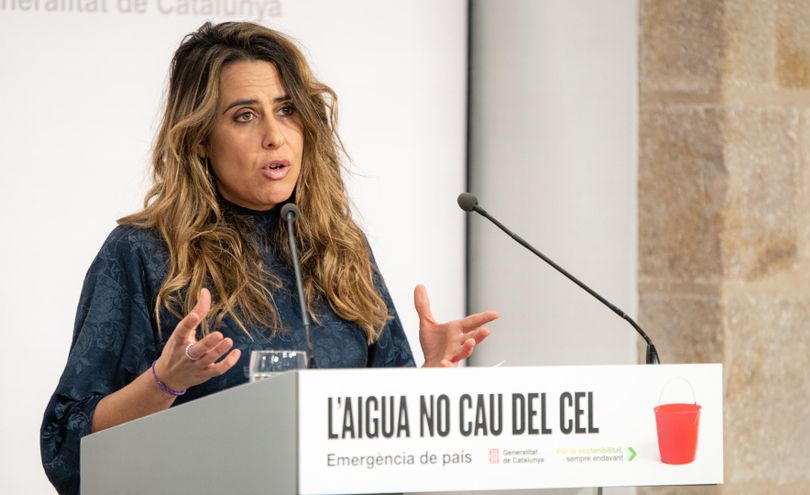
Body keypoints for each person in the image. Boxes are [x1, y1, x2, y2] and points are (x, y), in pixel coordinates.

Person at [40, 21, 498, 494]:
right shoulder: (143, 251)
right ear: (199, 137)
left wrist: (431, 377)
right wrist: (166, 380)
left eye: (287, 109)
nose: (275, 136)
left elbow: (380, 433)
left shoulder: (340, 246)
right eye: (244, 116)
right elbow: (65, 448)